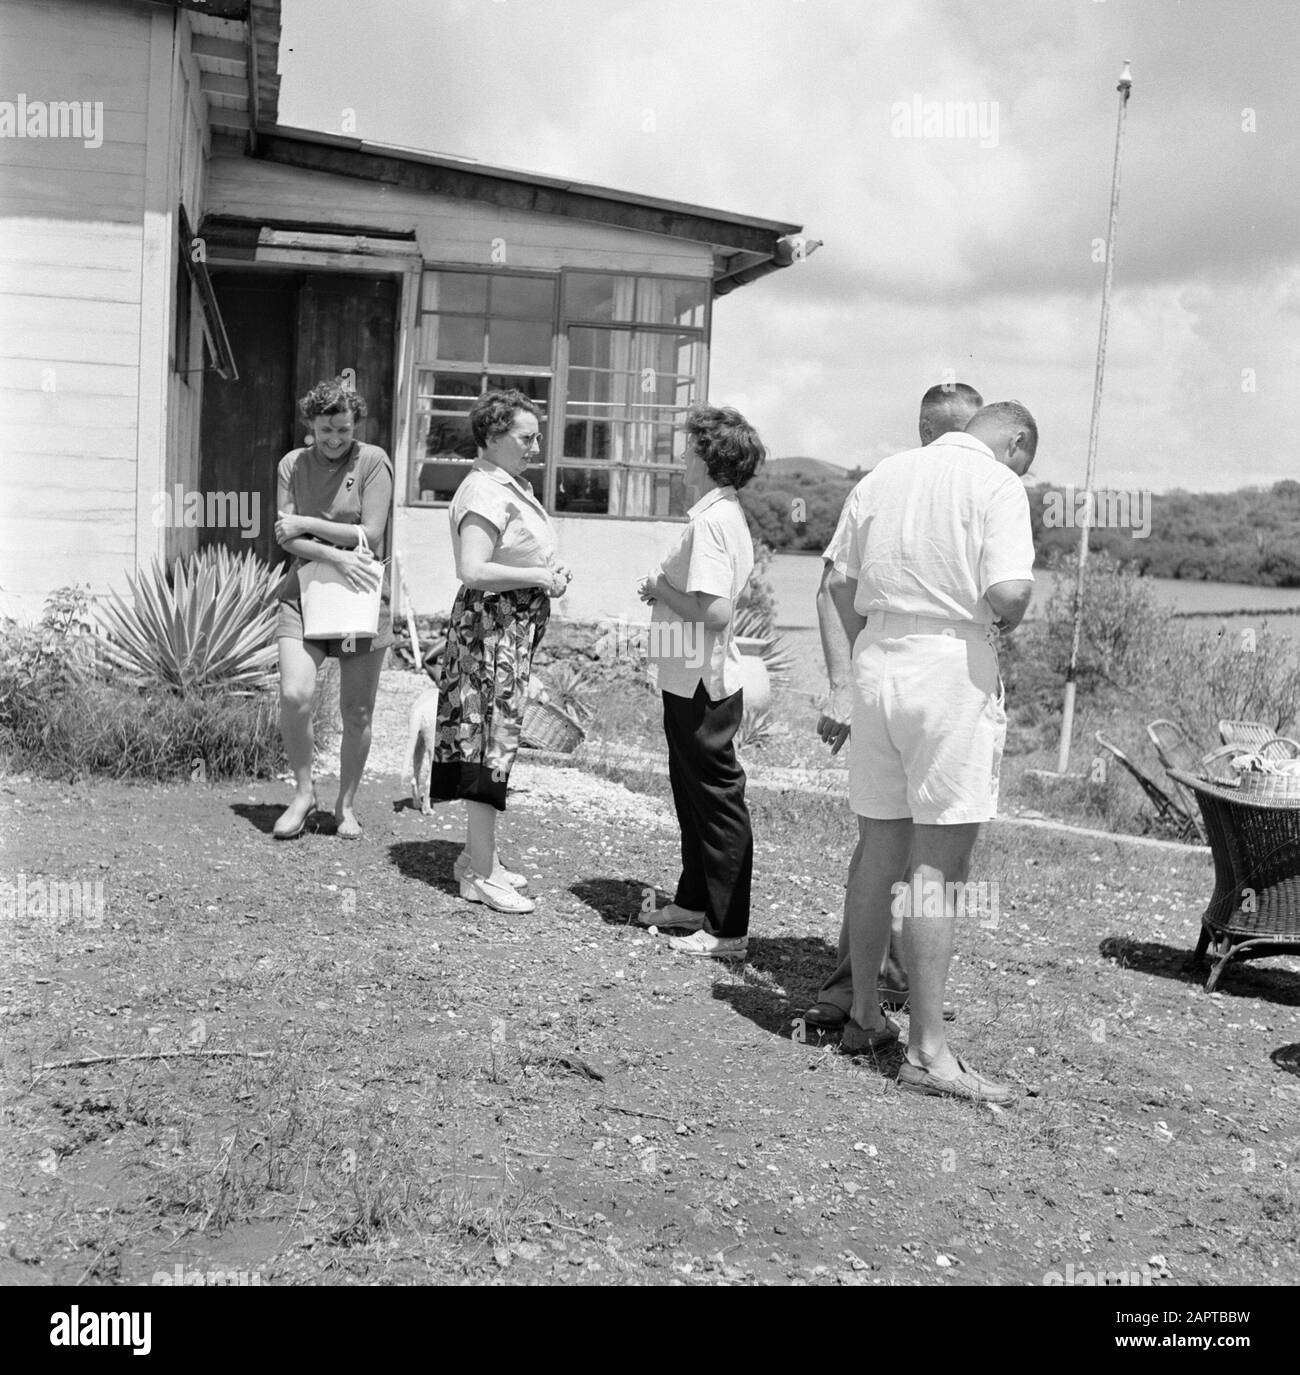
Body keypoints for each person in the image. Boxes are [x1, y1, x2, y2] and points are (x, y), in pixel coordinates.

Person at [826, 401, 1037, 1101]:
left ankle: (862, 1013)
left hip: (877, 656)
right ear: (1017, 441)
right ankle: (927, 1048)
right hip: (948, 663)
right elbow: (1007, 592)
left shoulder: (886, 473)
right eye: (1025, 458)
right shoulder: (998, 484)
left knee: (878, 847)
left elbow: (840, 582)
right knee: (937, 868)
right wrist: (1006, 610)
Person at [803, 382, 982, 1031]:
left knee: (924, 842)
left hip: (950, 690)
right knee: (883, 841)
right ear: (934, 430)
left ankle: (897, 981)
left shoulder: (978, 497)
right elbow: (833, 587)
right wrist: (846, 683)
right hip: (888, 685)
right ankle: (853, 986)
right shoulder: (885, 486)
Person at [426, 389, 571, 914]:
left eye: (536, 436)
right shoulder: (485, 491)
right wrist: (538, 575)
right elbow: (473, 569)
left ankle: (476, 857)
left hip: (507, 627)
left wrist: (548, 575)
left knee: (498, 739)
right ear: (492, 436)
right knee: (491, 741)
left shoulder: (506, 486)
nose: (535, 445)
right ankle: (482, 874)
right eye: (526, 436)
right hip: (490, 630)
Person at [635, 404, 766, 959]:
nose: (682, 456)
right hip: (686, 677)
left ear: (710, 459)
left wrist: (658, 589)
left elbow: (714, 614)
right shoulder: (717, 514)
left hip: (703, 684)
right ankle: (693, 902)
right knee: (692, 797)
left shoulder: (712, 521)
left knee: (715, 803)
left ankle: (727, 929)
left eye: (689, 448)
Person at [272, 376, 394, 841]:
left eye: (343, 429)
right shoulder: (291, 465)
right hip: (303, 591)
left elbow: (373, 532)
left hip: (360, 595)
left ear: (354, 424)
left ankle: (345, 805)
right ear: (310, 425)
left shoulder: (372, 461)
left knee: (357, 712)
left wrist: (307, 524)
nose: (336, 439)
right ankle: (304, 794)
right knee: (295, 695)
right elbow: (285, 537)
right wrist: (335, 552)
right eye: (326, 430)